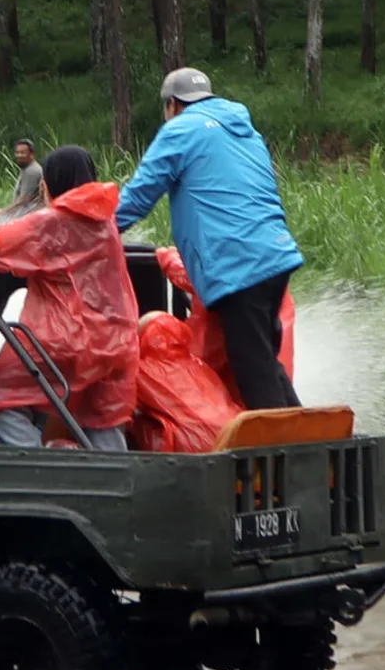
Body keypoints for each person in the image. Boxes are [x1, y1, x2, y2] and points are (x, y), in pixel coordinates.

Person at [113, 67, 303, 412]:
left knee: (254, 374)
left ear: (171, 104)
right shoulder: (245, 131)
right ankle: (316, 443)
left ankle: (286, 456)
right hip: (276, 258)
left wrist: (94, 231)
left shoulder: (180, 130)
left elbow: (138, 197)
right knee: (265, 363)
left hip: (238, 265)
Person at [0, 145, 139, 449]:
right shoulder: (107, 224)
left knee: (0, 394)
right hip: (116, 342)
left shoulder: (51, 223)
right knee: (101, 416)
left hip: (64, 340)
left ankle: (40, 472)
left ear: (52, 181)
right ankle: (116, 478)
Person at [0, 138, 46, 218]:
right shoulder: (27, 169)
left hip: (30, 218)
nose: (19, 155)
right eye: (17, 152)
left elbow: (24, 200)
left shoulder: (31, 171)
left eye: (23, 153)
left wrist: (4, 211)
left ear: (31, 154)